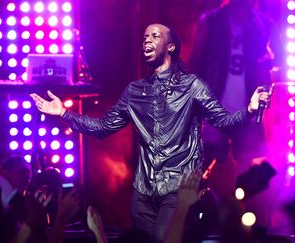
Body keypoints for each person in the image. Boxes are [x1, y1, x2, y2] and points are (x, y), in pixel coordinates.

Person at [30, 23, 270, 242]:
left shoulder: (193, 87)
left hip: (177, 189)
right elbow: (103, 127)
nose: (147, 40)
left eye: (155, 36)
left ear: (171, 47)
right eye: (145, 36)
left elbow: (224, 122)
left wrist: (249, 109)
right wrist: (63, 113)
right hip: (143, 193)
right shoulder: (135, 91)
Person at [189, 0, 282, 225]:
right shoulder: (212, 22)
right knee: (202, 173)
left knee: (253, 173)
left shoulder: (262, 25)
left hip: (248, 114)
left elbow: (273, 63)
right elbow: (196, 64)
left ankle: (249, 226)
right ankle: (200, 226)